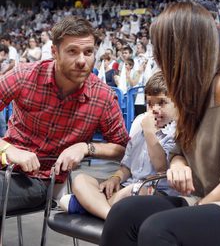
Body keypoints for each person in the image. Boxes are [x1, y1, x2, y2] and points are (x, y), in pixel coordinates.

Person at [100, 2, 220, 246]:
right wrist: (179, 163)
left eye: (161, 48)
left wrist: (197, 208)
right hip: (211, 199)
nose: (158, 57)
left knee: (158, 230)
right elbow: (180, 149)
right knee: (123, 214)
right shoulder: (191, 93)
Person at [0, 15, 129, 214]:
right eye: (72, 51)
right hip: (6, 166)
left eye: (88, 52)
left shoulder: (102, 96)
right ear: (55, 52)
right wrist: (8, 149)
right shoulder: (25, 75)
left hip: (40, 179)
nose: (81, 61)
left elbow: (121, 147)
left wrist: (85, 147)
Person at [59, 71, 178, 220]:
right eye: (149, 103)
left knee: (133, 191)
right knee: (81, 179)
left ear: (178, 104)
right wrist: (115, 178)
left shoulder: (175, 133)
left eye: (161, 103)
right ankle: (109, 216)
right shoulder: (139, 129)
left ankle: (88, 205)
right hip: (127, 188)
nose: (154, 109)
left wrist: (150, 131)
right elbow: (126, 167)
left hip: (155, 193)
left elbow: (161, 167)